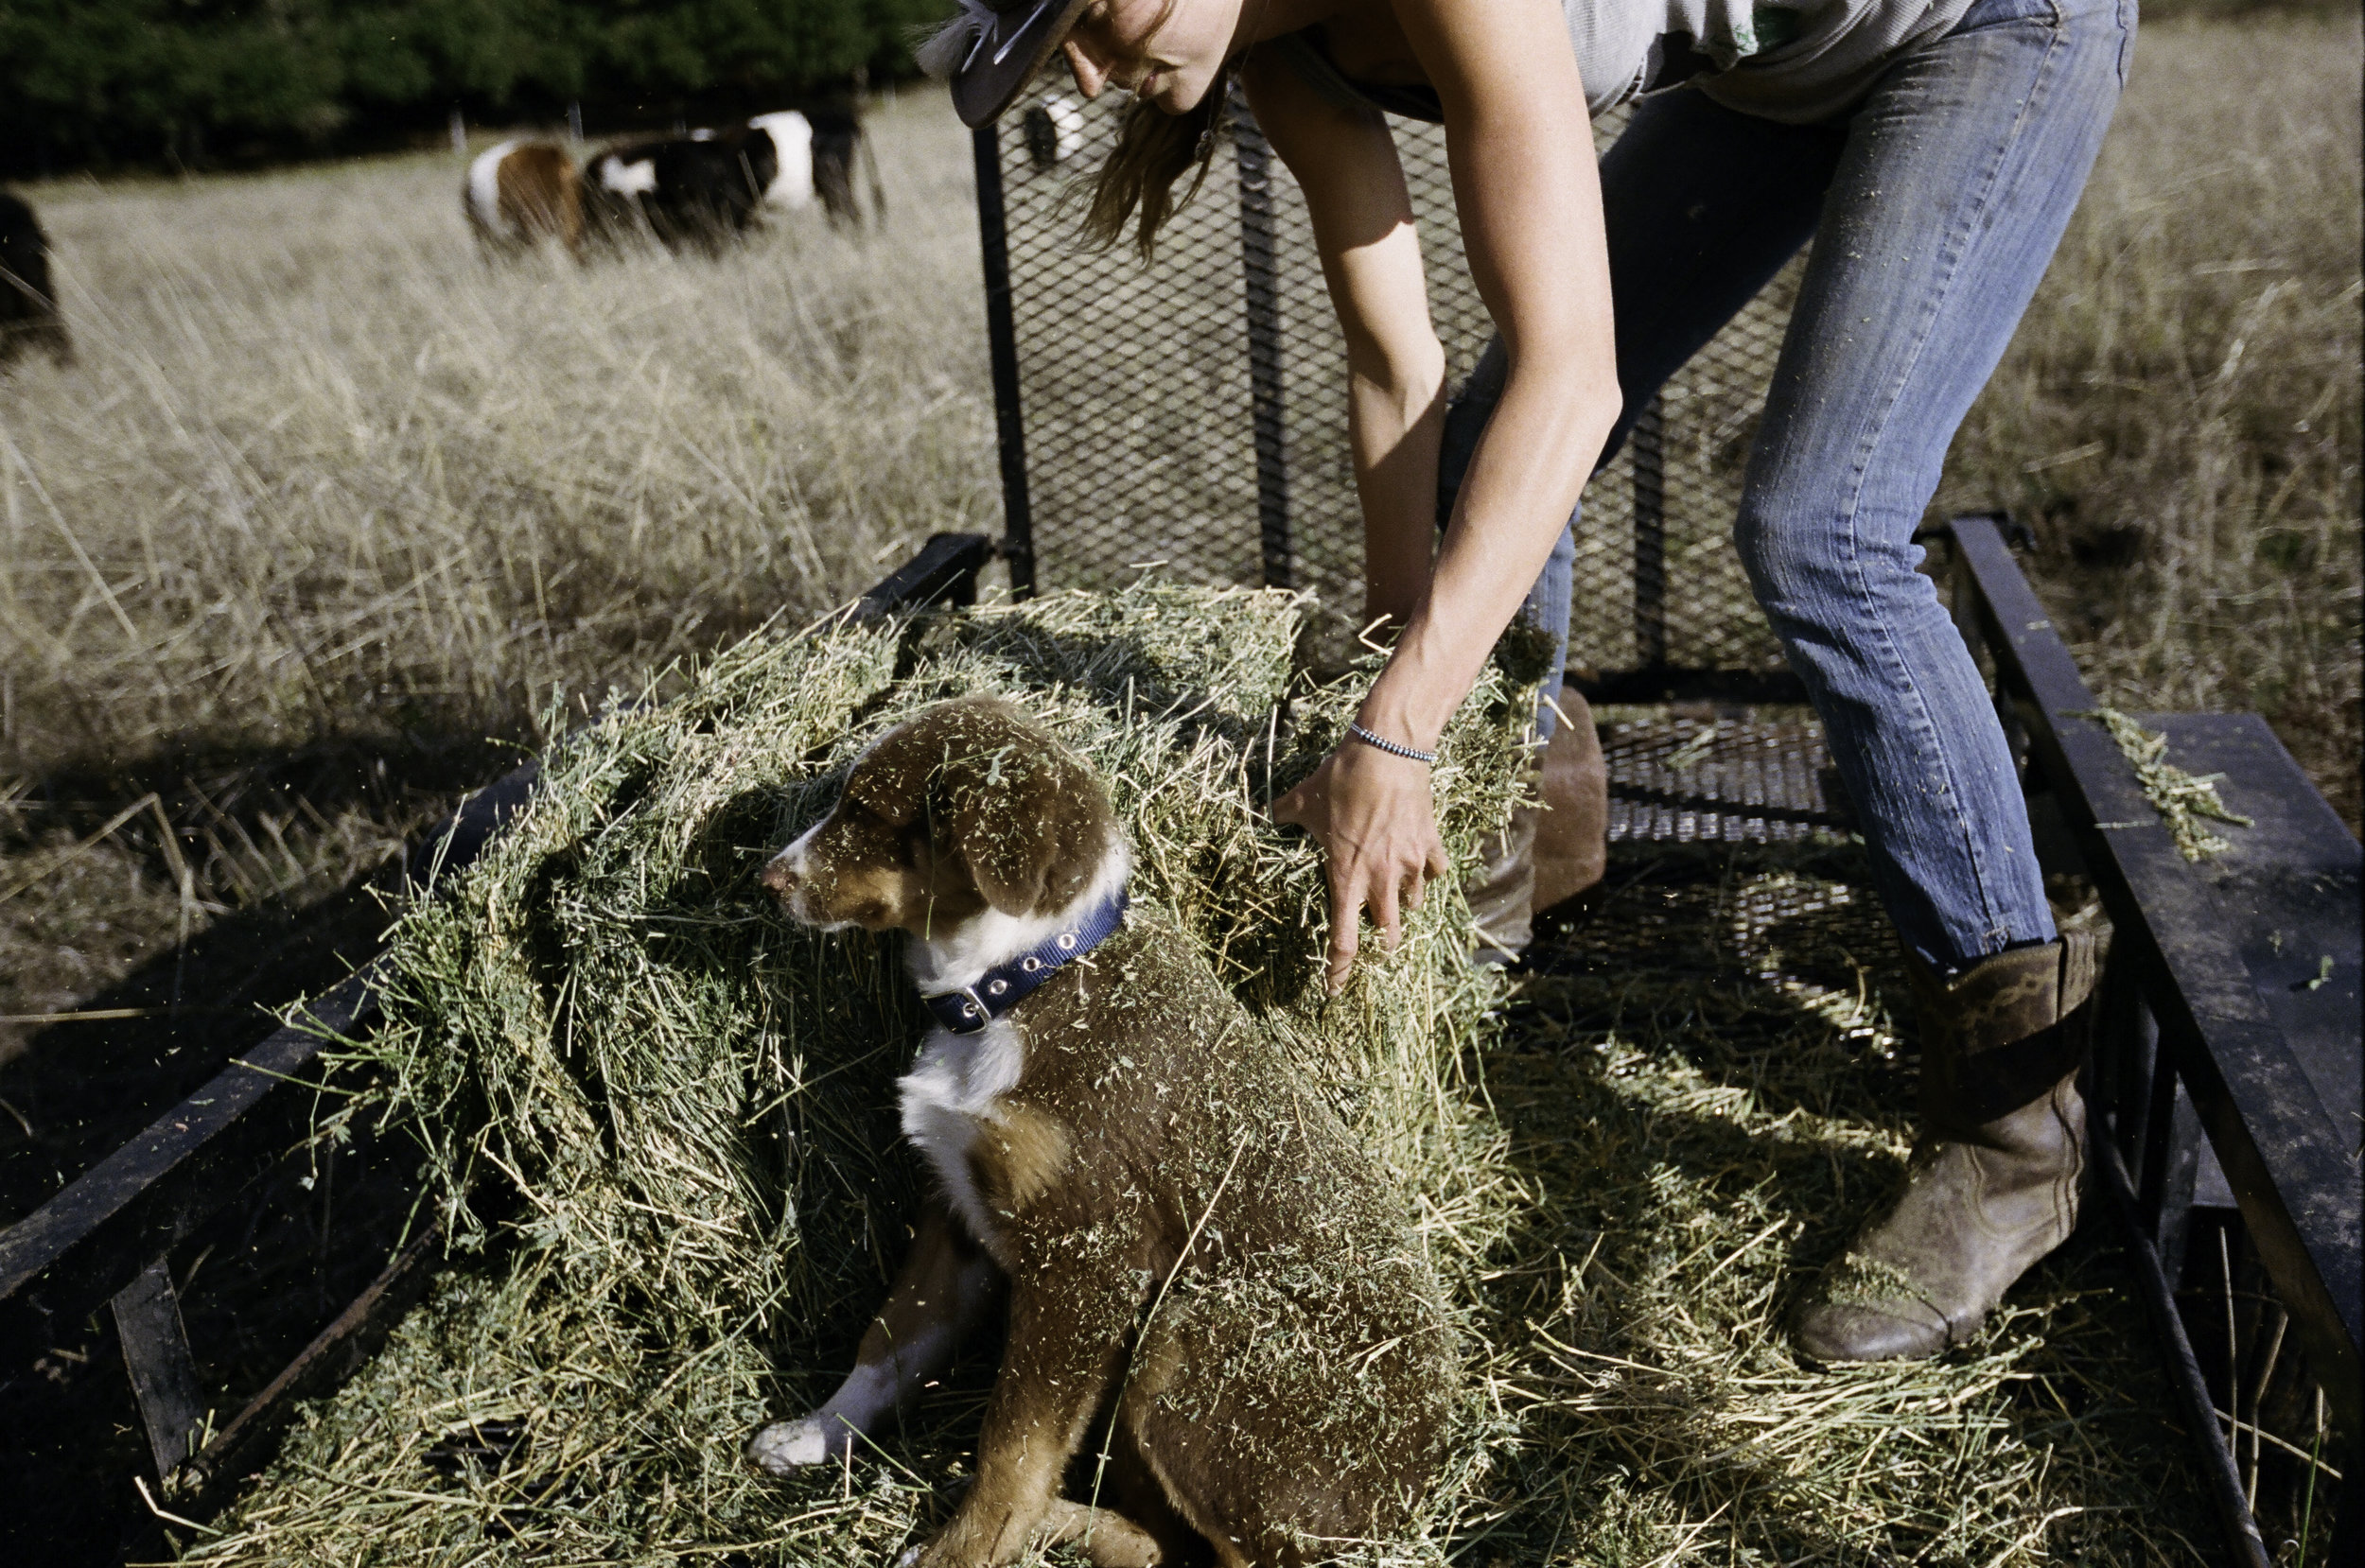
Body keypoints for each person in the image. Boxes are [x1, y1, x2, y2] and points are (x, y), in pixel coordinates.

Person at [920, 0, 2131, 1364]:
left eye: (1092, 14)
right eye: (1050, 56)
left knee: (1819, 525)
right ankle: (1472, 918)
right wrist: (1399, 680)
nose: (1087, 72)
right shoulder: (1277, 55)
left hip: (1984, 27)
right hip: (1775, 75)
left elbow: (1579, 381)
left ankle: (2016, 1133)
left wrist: (1399, 734)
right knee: (1485, 448)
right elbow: (1398, 368)